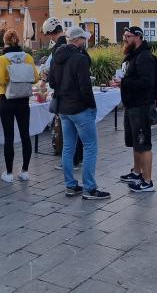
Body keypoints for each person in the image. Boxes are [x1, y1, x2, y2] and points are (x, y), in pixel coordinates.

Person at [48, 27, 109, 199]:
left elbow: (52, 82)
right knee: (90, 146)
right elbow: (85, 87)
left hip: (63, 108)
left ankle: (71, 185)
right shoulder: (80, 59)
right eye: (83, 39)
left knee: (68, 147)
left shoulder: (56, 57)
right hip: (80, 108)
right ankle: (90, 188)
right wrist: (92, 106)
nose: (85, 42)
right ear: (77, 40)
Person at [112, 26, 156, 193]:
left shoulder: (144, 57)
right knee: (135, 143)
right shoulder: (131, 56)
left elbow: (147, 82)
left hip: (141, 106)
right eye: (124, 36)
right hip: (131, 105)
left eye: (128, 36)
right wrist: (120, 81)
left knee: (143, 143)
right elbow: (130, 77)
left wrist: (124, 83)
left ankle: (147, 181)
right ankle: (137, 173)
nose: (125, 39)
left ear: (138, 37)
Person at [0, 29, 39, 183]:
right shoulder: (27, 57)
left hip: (6, 100)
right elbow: (36, 77)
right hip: (23, 100)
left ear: (5, 42)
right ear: (18, 41)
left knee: (9, 137)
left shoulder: (2, 59)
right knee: (25, 135)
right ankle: (25, 171)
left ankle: (8, 173)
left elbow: (0, 81)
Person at [41, 17, 83, 169]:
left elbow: (50, 72)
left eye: (48, 35)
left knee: (67, 131)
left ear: (51, 33)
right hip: (76, 93)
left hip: (63, 94)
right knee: (77, 128)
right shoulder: (73, 43)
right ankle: (78, 157)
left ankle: (70, 162)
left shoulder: (58, 49)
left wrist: (46, 79)